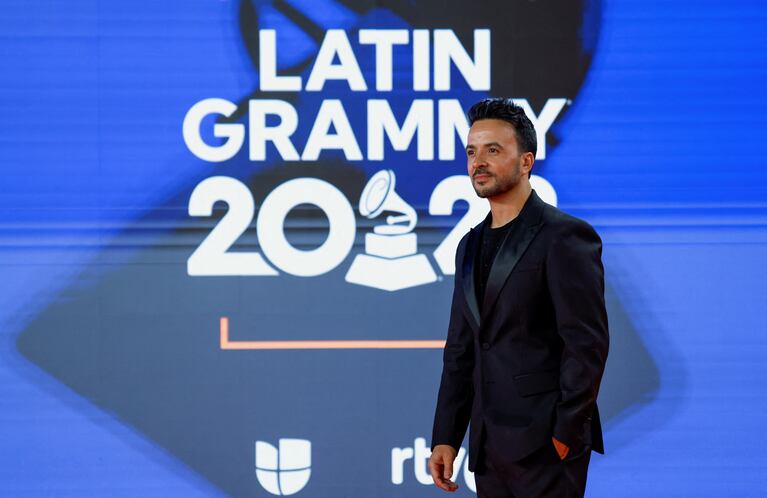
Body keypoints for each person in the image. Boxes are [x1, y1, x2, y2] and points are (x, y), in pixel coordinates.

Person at [429, 98, 609, 497]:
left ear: (526, 161)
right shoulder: (468, 245)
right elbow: (461, 349)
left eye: (493, 150)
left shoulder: (564, 236)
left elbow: (586, 344)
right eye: (472, 152)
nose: (479, 162)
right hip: (488, 448)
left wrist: (566, 431)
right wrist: (446, 435)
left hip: (546, 445)